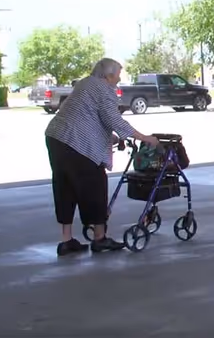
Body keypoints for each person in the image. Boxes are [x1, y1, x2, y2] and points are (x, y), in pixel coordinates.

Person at [45, 58, 160, 256]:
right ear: (108, 75)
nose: (119, 78)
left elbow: (87, 116)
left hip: (56, 138)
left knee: (64, 187)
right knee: (95, 185)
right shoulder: (103, 88)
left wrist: (114, 137)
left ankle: (66, 240)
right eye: (117, 75)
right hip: (76, 143)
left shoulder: (85, 83)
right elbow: (112, 118)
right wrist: (144, 138)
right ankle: (99, 238)